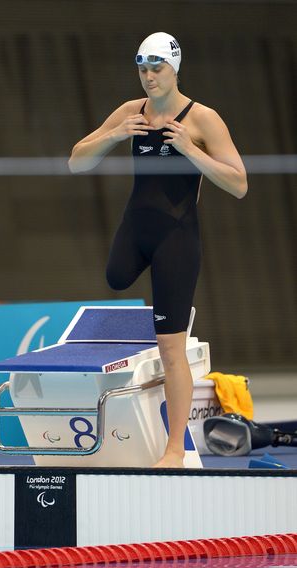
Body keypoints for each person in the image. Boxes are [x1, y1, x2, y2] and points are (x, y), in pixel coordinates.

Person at [68, 32, 248, 468]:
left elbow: (239, 184)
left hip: (176, 238)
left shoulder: (203, 119)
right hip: (137, 228)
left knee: (170, 348)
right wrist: (113, 135)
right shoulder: (133, 111)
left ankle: (173, 449)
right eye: (143, 69)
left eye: (157, 68)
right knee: (115, 276)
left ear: (175, 68)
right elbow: (76, 160)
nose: (148, 77)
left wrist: (190, 149)